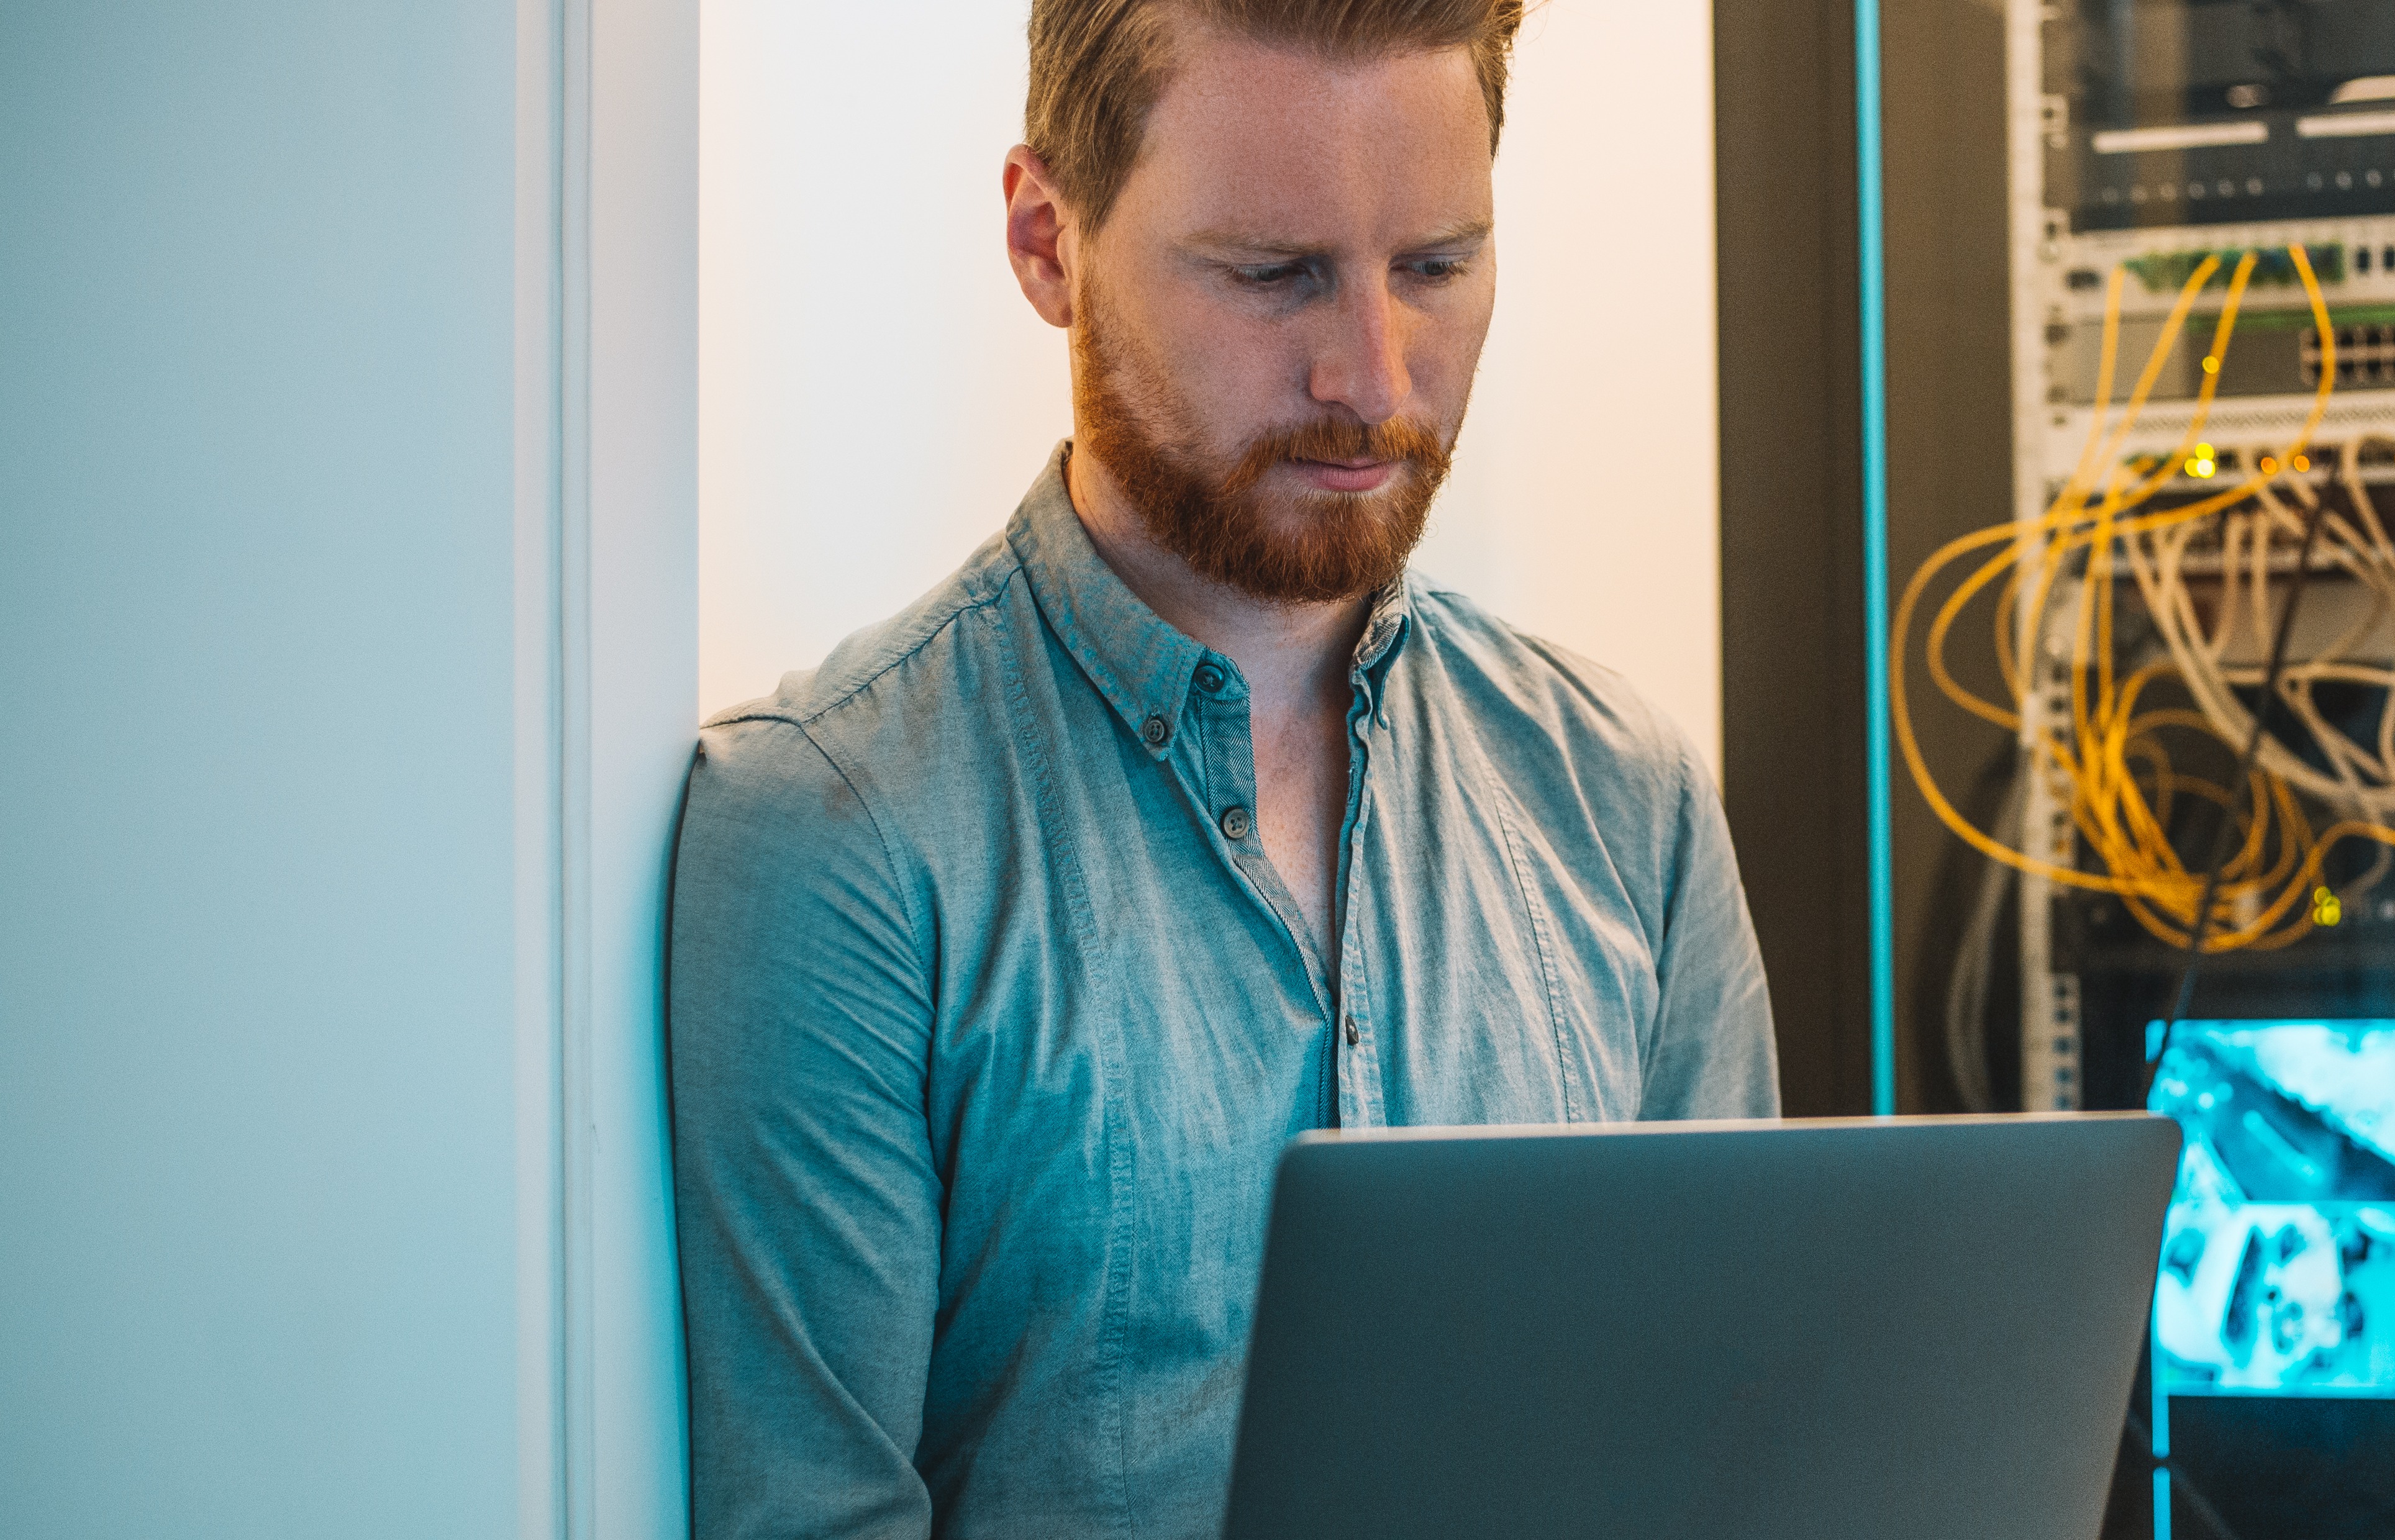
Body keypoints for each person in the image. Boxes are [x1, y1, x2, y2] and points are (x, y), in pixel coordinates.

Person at [664, 3, 1779, 1535]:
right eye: (1276, 275)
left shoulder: (1628, 799)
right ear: (1050, 243)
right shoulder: (835, 839)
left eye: (1438, 266)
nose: (1373, 376)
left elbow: (1743, 1449)